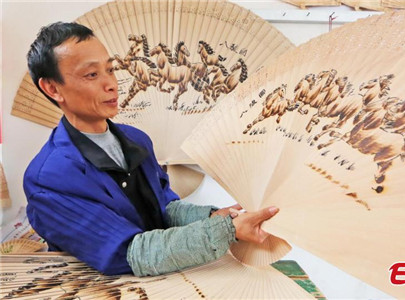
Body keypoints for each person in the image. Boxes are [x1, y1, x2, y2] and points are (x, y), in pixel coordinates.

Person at [23, 22, 279, 276]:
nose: (111, 84)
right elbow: (130, 253)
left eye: (110, 69)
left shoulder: (136, 140)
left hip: (161, 279)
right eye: (92, 75)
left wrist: (216, 217)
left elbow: (165, 209)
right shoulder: (48, 179)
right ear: (52, 88)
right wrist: (227, 231)